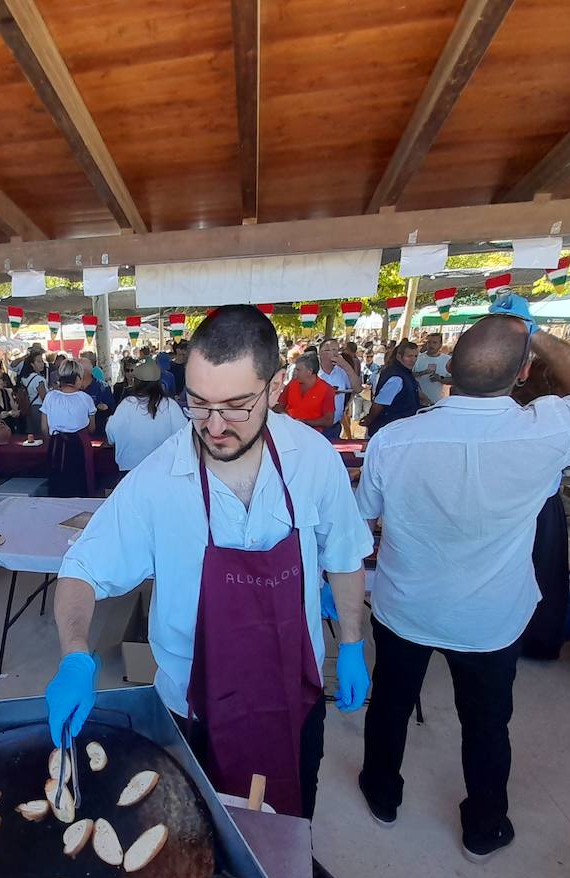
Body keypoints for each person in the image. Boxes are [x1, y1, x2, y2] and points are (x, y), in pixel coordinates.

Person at [44, 305, 372, 827]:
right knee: (199, 835)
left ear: (276, 384)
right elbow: (82, 567)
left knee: (290, 824)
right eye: (199, 404)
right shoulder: (157, 480)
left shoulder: (313, 459)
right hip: (192, 704)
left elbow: (345, 555)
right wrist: (76, 656)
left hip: (295, 694)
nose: (215, 426)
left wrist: (351, 643)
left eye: (237, 405)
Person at [356, 294, 570, 862]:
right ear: (524, 371)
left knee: (390, 703)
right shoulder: (547, 429)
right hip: (490, 617)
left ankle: (382, 794)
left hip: (407, 604)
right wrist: (538, 332)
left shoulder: (394, 440)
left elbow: (366, 516)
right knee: (486, 722)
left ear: (447, 368)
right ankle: (484, 825)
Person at [105, 359, 188, 473]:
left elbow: (111, 433)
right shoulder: (170, 406)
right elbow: (183, 437)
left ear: (136, 382)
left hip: (131, 469)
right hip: (163, 469)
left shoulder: (127, 404)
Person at [40, 357, 97, 498]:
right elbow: (91, 428)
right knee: (80, 483)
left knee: (58, 484)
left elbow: (44, 428)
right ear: (77, 378)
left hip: (57, 444)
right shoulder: (85, 398)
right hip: (80, 444)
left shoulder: (50, 397)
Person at [362, 341, 422, 437]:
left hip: (399, 428)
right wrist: (369, 419)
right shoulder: (396, 378)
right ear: (399, 357)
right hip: (389, 430)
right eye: (409, 356)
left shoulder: (405, 373)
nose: (413, 360)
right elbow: (379, 404)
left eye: (415, 356)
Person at [275, 356, 336, 434]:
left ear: (309, 371)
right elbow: (278, 406)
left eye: (298, 370)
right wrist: (287, 418)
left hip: (313, 434)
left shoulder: (327, 390)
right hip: (289, 430)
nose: (295, 372)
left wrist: (305, 422)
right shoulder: (291, 384)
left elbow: (328, 420)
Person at [315, 339, 359, 439]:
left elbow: (358, 388)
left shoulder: (342, 372)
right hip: (314, 426)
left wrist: (346, 366)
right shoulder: (313, 371)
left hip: (334, 427)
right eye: (328, 350)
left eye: (335, 350)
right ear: (320, 354)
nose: (332, 353)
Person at [77, 357, 114, 434]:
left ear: (84, 372)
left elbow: (112, 410)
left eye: (77, 369)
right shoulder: (73, 387)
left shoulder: (103, 388)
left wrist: (104, 408)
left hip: (98, 433)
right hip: (78, 433)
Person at [413, 332, 451, 406]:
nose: (431, 345)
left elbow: (454, 380)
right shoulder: (418, 358)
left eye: (434, 342)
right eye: (429, 342)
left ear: (440, 345)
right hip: (417, 402)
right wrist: (422, 373)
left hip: (438, 403)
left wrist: (440, 378)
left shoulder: (447, 360)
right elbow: (409, 375)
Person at [19, 350, 49, 436]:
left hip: (29, 408)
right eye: (38, 362)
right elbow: (44, 398)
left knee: (32, 434)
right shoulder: (39, 379)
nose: (42, 364)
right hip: (39, 408)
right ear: (32, 364)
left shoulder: (25, 378)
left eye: (42, 361)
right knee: (41, 434)